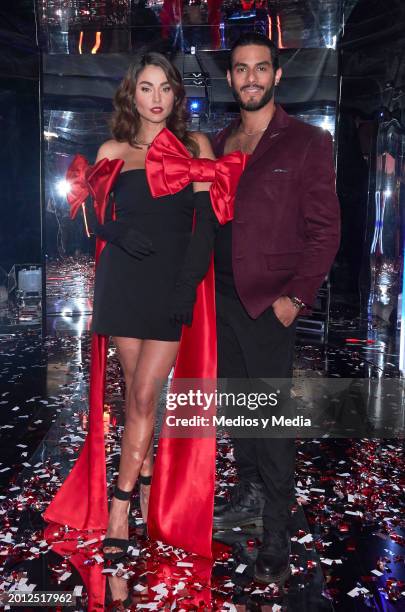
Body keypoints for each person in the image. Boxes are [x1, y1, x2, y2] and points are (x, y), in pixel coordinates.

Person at [43, 51, 246, 561]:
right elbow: (91, 221)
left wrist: (184, 289)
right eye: (146, 88)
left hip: (167, 291)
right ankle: (148, 482)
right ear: (132, 94)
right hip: (122, 283)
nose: (156, 99)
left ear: (177, 95)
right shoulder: (112, 148)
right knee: (139, 399)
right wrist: (116, 230)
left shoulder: (193, 146)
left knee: (140, 401)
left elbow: (205, 229)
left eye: (165, 89)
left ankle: (120, 506)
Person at [210, 33, 341, 584]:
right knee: (239, 409)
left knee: (271, 421)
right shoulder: (220, 141)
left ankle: (277, 536)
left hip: (270, 303)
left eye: (260, 68)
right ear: (232, 78)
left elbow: (326, 231)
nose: (251, 79)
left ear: (277, 75)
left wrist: (295, 298)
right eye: (241, 70)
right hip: (219, 297)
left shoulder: (306, 142)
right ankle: (246, 498)